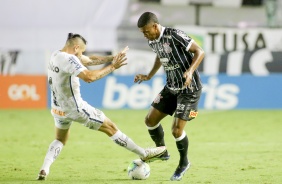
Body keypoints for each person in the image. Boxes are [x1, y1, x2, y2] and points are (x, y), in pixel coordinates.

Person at [36, 33, 166, 180]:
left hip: (57, 109)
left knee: (60, 139)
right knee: (111, 128)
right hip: (76, 109)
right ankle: (144, 154)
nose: (82, 55)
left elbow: (89, 60)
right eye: (81, 51)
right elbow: (89, 77)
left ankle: (44, 169)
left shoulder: (56, 55)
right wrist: (113, 67)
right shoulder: (70, 59)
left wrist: (113, 58)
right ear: (76, 47)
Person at [134, 12, 205, 181]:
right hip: (171, 87)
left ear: (155, 26)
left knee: (176, 130)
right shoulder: (153, 40)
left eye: (146, 31)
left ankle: (183, 163)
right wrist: (149, 75)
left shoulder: (174, 35)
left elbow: (199, 52)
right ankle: (162, 151)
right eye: (142, 33)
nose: (144, 35)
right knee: (150, 121)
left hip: (189, 89)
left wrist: (189, 71)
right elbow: (160, 56)